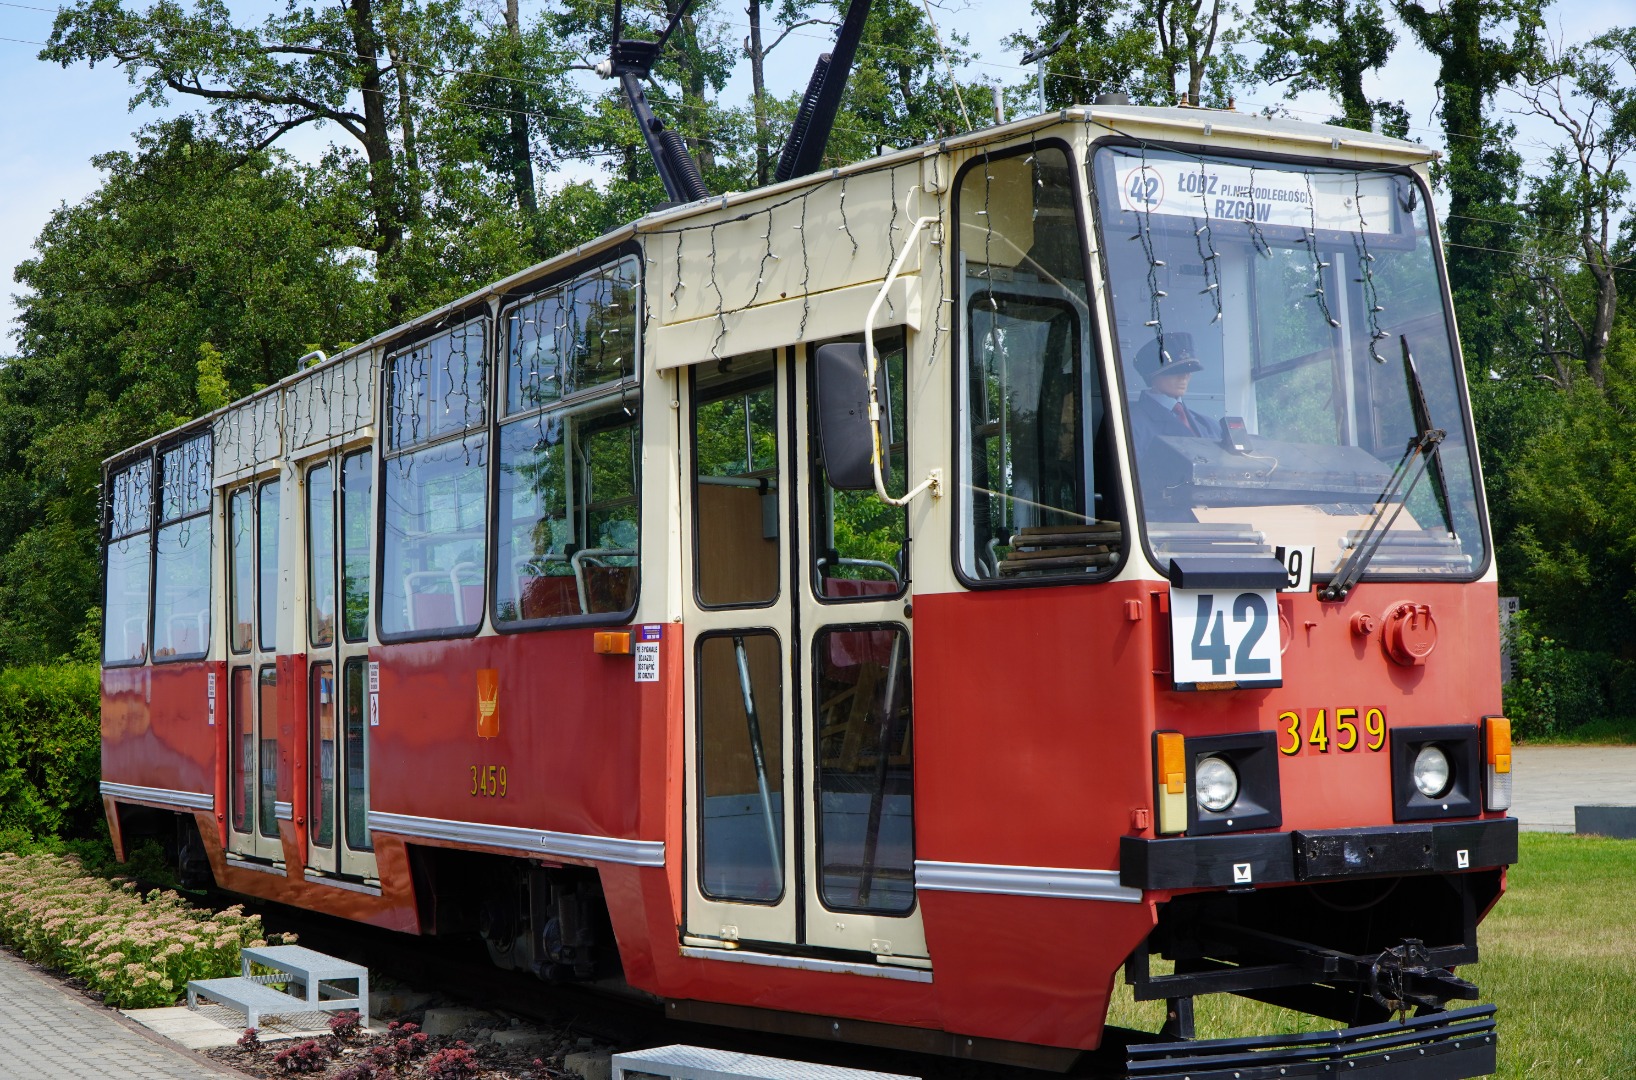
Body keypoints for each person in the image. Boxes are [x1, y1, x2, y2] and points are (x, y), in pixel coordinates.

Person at [1128, 332, 1219, 455]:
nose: (1184, 376)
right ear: (1153, 376)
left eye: (1189, 370)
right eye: (1176, 370)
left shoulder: (1211, 426)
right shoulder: (1131, 425)